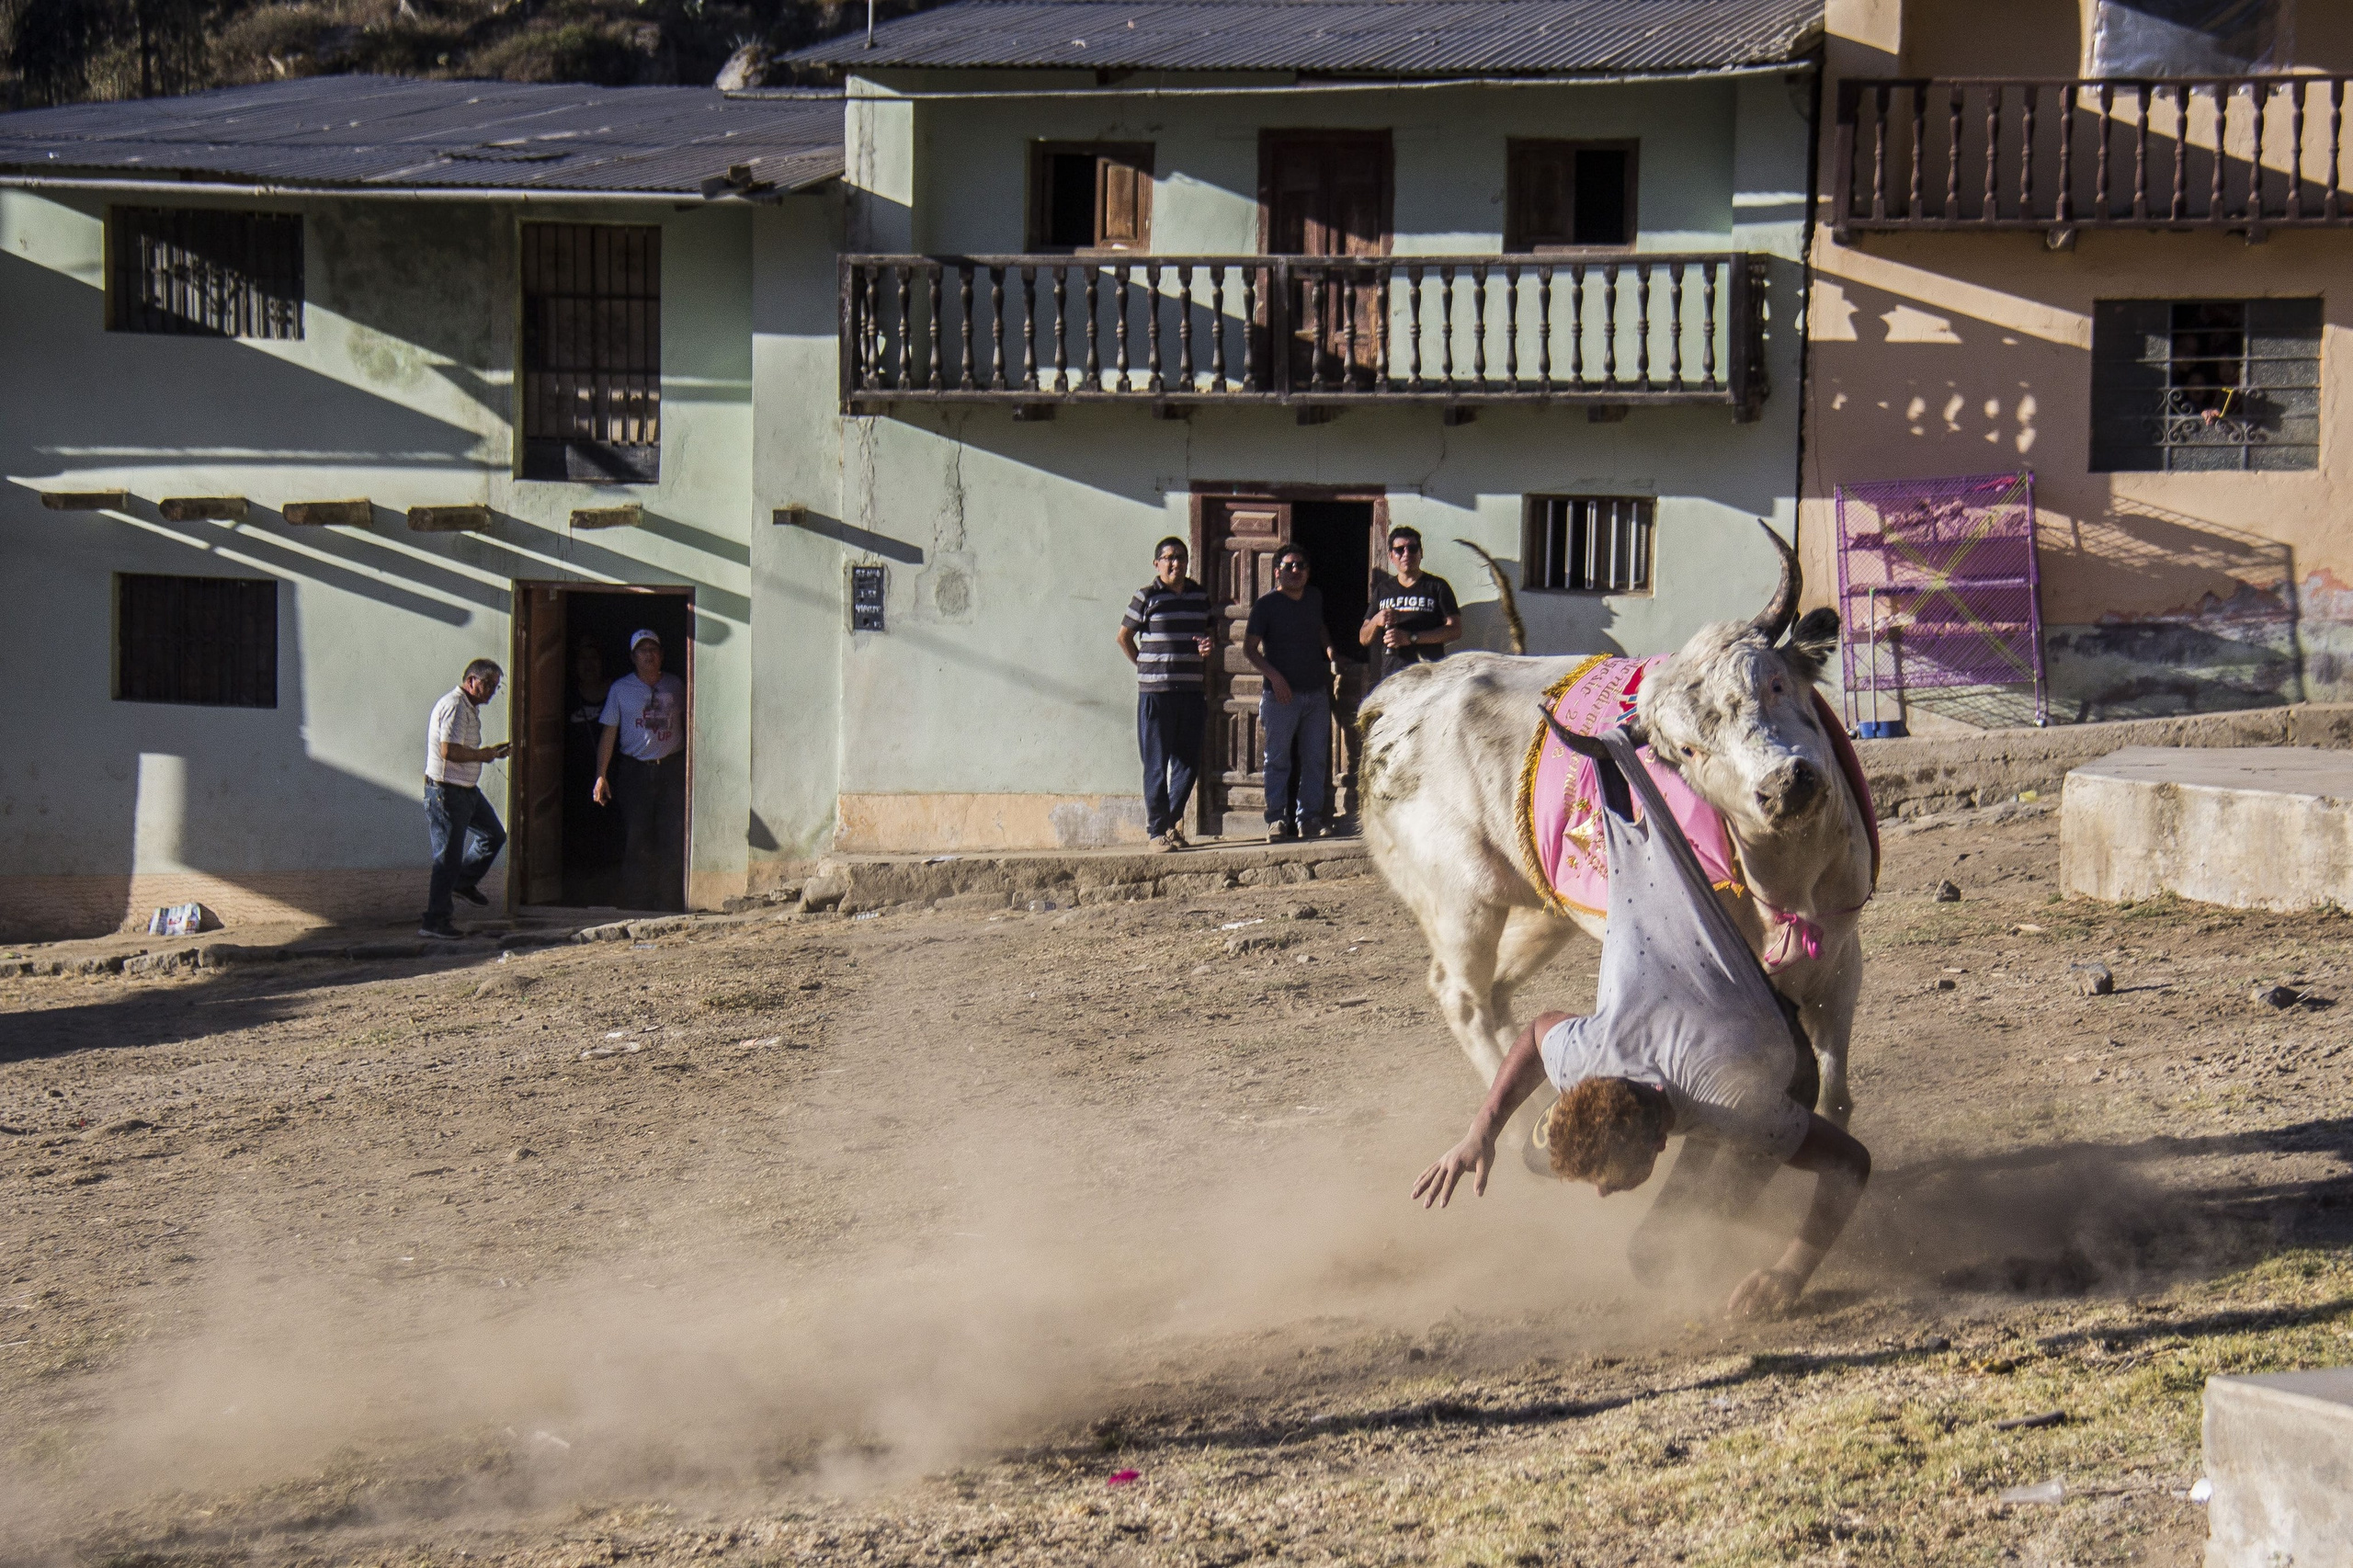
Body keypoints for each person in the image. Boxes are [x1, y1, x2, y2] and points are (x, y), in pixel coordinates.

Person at [1411, 725, 1872, 1321]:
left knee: (1660, 1253)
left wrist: (1791, 1270)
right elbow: (1536, 1032)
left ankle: (1754, 1210)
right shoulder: (1586, 1054)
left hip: (1772, 1066)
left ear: (1661, 1140)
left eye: (1613, 1181)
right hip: (1684, 1027)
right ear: (1585, 1083)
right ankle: (1710, 1198)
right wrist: (1482, 1131)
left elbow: (1849, 1163)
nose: (1603, 1195)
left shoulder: (1738, 1103)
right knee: (1536, 1154)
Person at [1118, 537, 1215, 852]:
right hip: (1156, 693)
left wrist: (1206, 647)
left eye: (1182, 558)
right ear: (1157, 563)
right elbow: (1124, 637)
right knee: (1157, 763)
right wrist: (1144, 665)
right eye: (1169, 558)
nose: (1176, 564)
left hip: (1190, 690)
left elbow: (1209, 634)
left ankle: (1170, 823)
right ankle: (1156, 832)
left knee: (1189, 763)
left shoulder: (1200, 596)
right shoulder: (1146, 597)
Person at [1244, 542, 1336, 841]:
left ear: (1308, 572)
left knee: (1315, 759)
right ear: (1277, 572)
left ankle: (1308, 819)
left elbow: (1319, 627)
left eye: (1300, 566)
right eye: (1288, 566)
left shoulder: (1314, 597)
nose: (1295, 571)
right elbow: (1249, 649)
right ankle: (1276, 820)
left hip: (1315, 694)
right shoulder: (1266, 605)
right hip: (1280, 697)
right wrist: (1275, 677)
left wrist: (1331, 651)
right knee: (1278, 760)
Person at [592, 629, 687, 911]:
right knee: (638, 837)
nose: (649, 656)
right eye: (643, 651)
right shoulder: (621, 689)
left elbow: (691, 722)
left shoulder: (676, 685)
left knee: (672, 836)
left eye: (654, 650)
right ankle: (638, 904)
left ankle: (670, 901)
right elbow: (609, 733)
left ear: (662, 655)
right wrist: (601, 775)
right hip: (635, 772)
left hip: (671, 769)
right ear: (633, 657)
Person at [420, 658, 511, 940]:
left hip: (465, 790)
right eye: (489, 685)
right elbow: (449, 751)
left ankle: (463, 882)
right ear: (472, 680)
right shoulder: (456, 706)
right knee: (447, 857)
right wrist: (484, 755)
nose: (493, 692)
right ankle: (435, 921)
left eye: (496, 687)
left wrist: (490, 753)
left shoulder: (468, 707)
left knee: (493, 835)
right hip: (447, 792)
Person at [1359, 525, 1461, 687]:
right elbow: (1363, 638)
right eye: (1400, 550)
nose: (1406, 554)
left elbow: (1455, 630)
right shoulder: (1383, 590)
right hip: (1392, 678)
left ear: (1421, 553)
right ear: (1391, 556)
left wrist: (1411, 638)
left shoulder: (1437, 586)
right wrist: (1376, 620)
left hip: (1430, 676)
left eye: (1412, 548)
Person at [564, 639, 622, 897]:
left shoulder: (616, 691)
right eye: (582, 659)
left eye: (594, 658)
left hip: (615, 773)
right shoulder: (568, 694)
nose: (588, 665)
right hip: (576, 775)